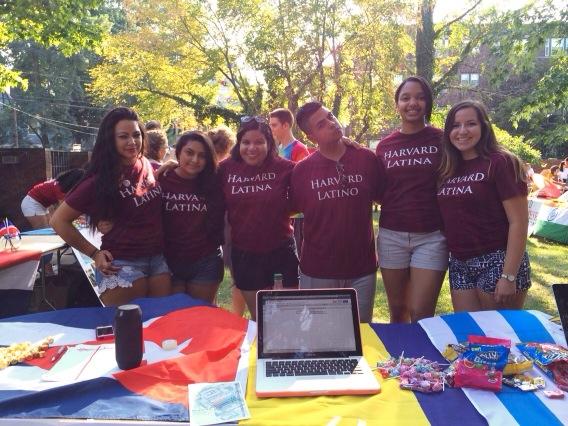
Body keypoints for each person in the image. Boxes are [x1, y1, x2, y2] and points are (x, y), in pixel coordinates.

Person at [50, 107, 171, 306]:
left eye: (136, 135)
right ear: (110, 140)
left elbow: (142, 193)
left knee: (159, 328)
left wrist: (166, 168)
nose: (132, 142)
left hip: (158, 261)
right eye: (123, 136)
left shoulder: (145, 165)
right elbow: (58, 221)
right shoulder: (97, 180)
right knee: (128, 330)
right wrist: (94, 253)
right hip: (122, 265)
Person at [437, 100, 531, 311]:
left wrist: (508, 276)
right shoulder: (448, 168)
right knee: (469, 337)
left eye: (470, 124)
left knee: (499, 337)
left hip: (498, 260)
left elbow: (519, 221)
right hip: (460, 264)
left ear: (484, 127)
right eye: (455, 125)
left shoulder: (501, 162)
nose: (462, 131)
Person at [292, 101, 381, 323]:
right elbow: (292, 209)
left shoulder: (366, 159)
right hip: (318, 269)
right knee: (319, 338)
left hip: (362, 269)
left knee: (361, 337)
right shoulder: (302, 171)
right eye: (322, 124)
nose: (332, 123)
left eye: (331, 116)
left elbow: (386, 199)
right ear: (312, 137)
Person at [375, 76, 448, 323]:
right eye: (405, 98)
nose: (412, 103)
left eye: (420, 97)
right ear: (397, 104)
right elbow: (378, 187)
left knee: (421, 312)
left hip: (431, 236)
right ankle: (400, 362)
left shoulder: (442, 140)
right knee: (397, 310)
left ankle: (423, 362)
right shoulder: (385, 146)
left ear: (428, 103)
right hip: (391, 235)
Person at [218, 116, 298, 320]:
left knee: (287, 315)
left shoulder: (286, 168)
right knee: (260, 319)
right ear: (239, 143)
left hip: (281, 251)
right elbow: (195, 176)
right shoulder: (225, 169)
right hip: (245, 254)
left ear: (269, 143)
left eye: (259, 142)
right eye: (246, 142)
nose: (251, 148)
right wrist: (171, 166)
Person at [160, 131, 225, 303]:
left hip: (205, 261)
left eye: (202, 156)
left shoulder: (215, 181)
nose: (195, 160)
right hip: (169, 261)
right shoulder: (162, 178)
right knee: (173, 318)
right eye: (189, 153)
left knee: (201, 319)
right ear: (179, 152)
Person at [208, 126, 247, 315]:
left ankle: (228, 313)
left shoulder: (209, 170)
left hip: (222, 229)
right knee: (237, 277)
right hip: (229, 228)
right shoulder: (224, 170)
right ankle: (237, 316)